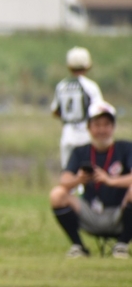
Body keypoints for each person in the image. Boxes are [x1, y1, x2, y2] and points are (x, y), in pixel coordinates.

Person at [49, 101, 132, 259]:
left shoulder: (126, 148)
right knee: (57, 194)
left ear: (113, 127)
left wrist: (109, 180)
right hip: (91, 211)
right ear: (89, 127)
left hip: (119, 212)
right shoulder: (80, 151)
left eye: (106, 125)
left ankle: (122, 244)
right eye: (97, 125)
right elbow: (64, 180)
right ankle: (78, 246)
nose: (102, 130)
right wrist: (78, 180)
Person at [51, 46, 104, 169]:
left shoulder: (61, 86)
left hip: (67, 133)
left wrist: (68, 117)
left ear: (69, 66)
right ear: (88, 65)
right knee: (88, 171)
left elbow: (55, 110)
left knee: (68, 171)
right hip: (86, 134)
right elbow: (99, 110)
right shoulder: (90, 86)